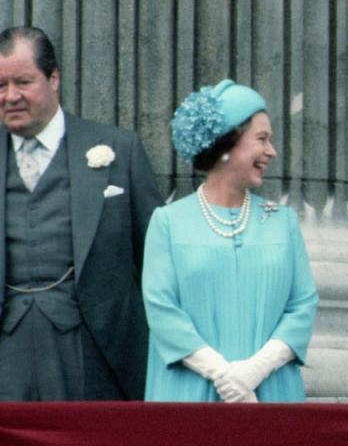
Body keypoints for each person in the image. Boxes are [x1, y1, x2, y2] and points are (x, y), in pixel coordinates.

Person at [0, 25, 163, 400]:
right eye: (0, 86)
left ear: (53, 78)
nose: (10, 97)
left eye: (23, 82)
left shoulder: (119, 149)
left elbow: (157, 260)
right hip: (7, 350)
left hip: (94, 350)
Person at [142, 79, 318, 402]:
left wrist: (254, 372)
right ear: (226, 144)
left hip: (271, 394)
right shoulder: (167, 223)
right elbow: (162, 311)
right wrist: (225, 377)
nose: (272, 151)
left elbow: (302, 307)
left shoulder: (284, 223)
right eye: (261, 139)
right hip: (189, 395)